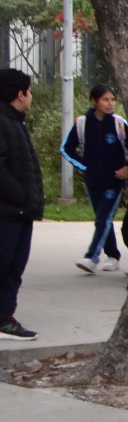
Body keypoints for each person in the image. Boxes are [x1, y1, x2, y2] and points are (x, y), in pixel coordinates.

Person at [61, 84, 128, 273]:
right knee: (103, 218)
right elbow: (66, 149)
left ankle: (92, 257)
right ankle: (113, 255)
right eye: (105, 99)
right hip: (93, 180)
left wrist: (127, 168)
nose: (110, 103)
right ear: (94, 101)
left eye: (112, 99)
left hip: (114, 181)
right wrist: (85, 166)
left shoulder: (119, 123)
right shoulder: (82, 124)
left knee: (103, 217)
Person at [0, 69, 43, 340]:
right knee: (5, 264)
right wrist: (23, 197)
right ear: (20, 94)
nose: (31, 96)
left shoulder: (16, 121)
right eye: (29, 91)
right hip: (8, 211)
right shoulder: (3, 122)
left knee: (14, 267)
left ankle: (4, 317)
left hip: (20, 211)